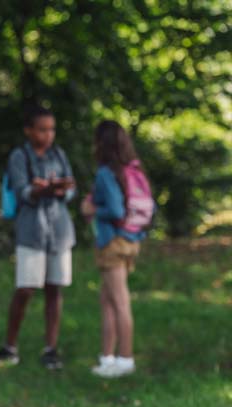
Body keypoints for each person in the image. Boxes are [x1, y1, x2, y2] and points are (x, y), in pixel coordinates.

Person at [0, 105, 76, 370]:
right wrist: (41, 189)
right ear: (29, 130)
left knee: (55, 288)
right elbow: (21, 192)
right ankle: (10, 344)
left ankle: (51, 347)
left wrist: (61, 189)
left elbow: (71, 189)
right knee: (26, 288)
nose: (48, 134)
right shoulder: (20, 156)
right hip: (32, 232)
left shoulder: (58, 154)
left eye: (51, 129)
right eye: (42, 129)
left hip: (59, 231)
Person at [81, 120, 147, 378]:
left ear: (101, 143)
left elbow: (116, 210)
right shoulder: (130, 169)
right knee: (107, 300)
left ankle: (125, 360)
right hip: (130, 240)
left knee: (120, 302)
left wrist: (92, 209)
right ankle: (107, 358)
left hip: (113, 243)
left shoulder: (107, 173)